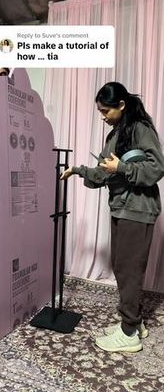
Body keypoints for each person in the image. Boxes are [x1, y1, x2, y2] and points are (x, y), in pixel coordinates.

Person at [60, 82, 164, 353]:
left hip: (138, 209)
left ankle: (129, 333)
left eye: (106, 110)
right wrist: (77, 170)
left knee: (128, 270)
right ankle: (135, 322)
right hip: (121, 207)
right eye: (99, 112)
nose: (102, 116)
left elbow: (157, 168)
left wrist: (122, 167)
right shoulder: (116, 134)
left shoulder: (140, 128)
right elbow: (101, 174)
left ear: (121, 105)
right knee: (121, 267)